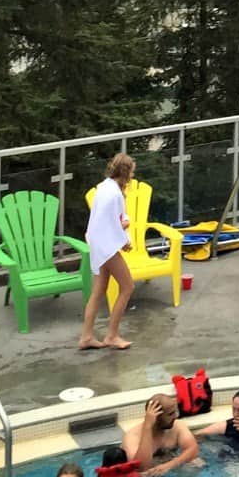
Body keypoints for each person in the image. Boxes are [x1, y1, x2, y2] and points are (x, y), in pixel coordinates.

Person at [80, 150, 137, 350]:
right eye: (131, 173)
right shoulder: (114, 194)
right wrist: (124, 241)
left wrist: (121, 234)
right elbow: (113, 224)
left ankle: (86, 336)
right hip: (107, 245)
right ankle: (112, 335)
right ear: (127, 173)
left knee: (98, 291)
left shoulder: (104, 188)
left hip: (98, 243)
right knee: (127, 286)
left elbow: (104, 221)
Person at [124, 393, 200, 477]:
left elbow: (193, 450)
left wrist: (169, 465)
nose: (176, 416)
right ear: (156, 417)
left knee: (197, 463)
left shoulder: (177, 426)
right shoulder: (132, 436)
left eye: (175, 412)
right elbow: (141, 467)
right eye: (171, 414)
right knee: (143, 476)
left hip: (169, 464)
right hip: (150, 473)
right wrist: (147, 427)